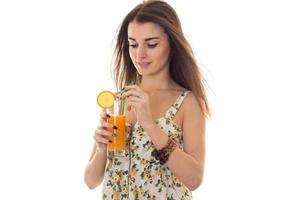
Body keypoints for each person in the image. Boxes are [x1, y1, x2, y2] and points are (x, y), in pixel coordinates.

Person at [84, 0, 210, 199]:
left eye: (151, 44)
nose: (139, 54)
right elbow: (91, 181)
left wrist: (149, 124)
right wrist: (101, 149)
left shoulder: (187, 102)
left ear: (172, 44)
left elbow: (194, 180)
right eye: (133, 44)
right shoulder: (120, 101)